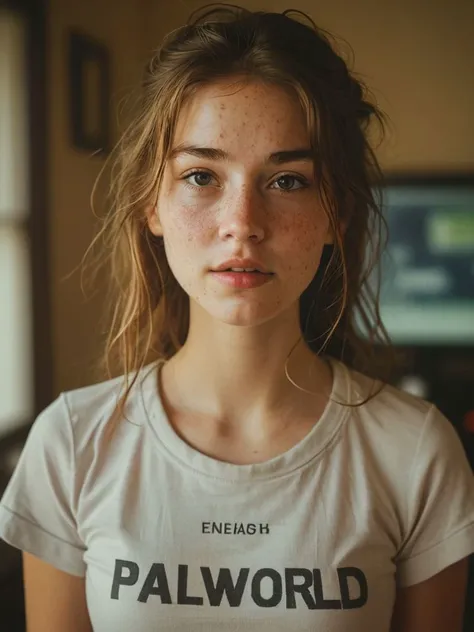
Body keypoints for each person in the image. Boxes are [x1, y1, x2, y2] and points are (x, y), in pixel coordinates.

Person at [0, 4, 473, 631]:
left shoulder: (415, 453)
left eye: (287, 181)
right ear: (152, 205)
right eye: (201, 175)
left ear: (337, 210)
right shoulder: (71, 445)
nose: (243, 224)